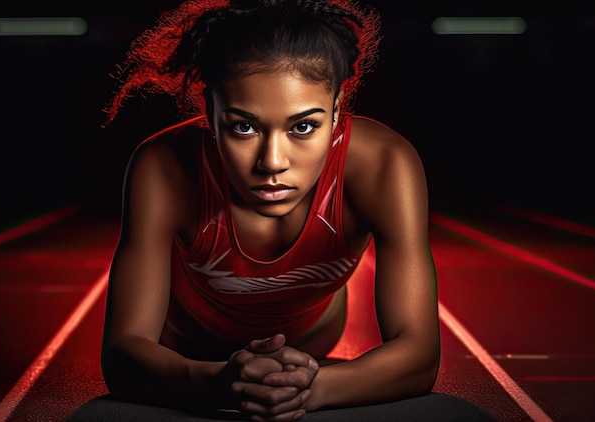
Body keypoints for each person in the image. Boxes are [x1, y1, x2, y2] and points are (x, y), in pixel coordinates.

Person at [97, 1, 456, 421]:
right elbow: (123, 353)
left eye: (303, 126)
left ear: (337, 109)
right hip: (186, 349)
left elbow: (420, 353)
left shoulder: (385, 165)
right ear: (210, 115)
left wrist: (313, 389)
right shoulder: (162, 167)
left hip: (311, 349)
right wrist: (216, 382)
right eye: (242, 126)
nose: (272, 162)